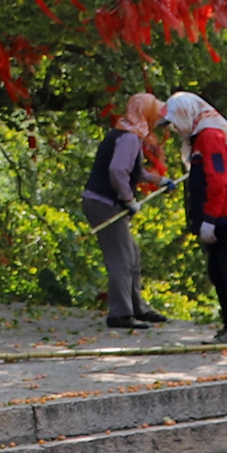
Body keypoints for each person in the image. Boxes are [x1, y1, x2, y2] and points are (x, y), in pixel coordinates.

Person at [162, 89, 227, 342]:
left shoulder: (209, 137)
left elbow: (217, 181)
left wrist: (209, 219)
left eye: (174, 121)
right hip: (225, 214)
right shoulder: (201, 138)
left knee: (222, 271)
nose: (173, 128)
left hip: (224, 215)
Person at [79, 92, 168, 331]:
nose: (158, 121)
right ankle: (120, 313)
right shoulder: (128, 137)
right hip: (103, 203)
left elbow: (133, 170)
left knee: (132, 255)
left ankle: (138, 307)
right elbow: (118, 171)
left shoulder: (129, 134)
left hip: (105, 202)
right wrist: (128, 199)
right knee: (121, 258)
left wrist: (159, 180)